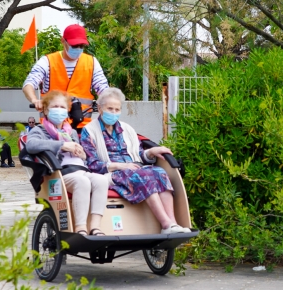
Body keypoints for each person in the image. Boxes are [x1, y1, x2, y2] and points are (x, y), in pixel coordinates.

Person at [80, 88, 190, 234]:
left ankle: (173, 224)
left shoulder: (127, 129)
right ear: (100, 108)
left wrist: (151, 152)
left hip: (134, 169)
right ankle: (165, 224)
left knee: (160, 172)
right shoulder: (89, 131)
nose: (113, 113)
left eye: (117, 109)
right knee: (143, 175)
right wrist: (121, 166)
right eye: (110, 108)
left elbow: (138, 154)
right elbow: (93, 164)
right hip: (112, 174)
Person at [26, 90, 108, 236]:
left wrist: (82, 154)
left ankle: (95, 227)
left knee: (101, 180)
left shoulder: (71, 132)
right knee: (82, 182)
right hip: (59, 173)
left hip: (79, 169)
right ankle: (80, 228)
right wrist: (61, 145)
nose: (59, 110)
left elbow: (82, 155)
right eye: (55, 106)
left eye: (63, 107)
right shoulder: (40, 130)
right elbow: (31, 145)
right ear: (45, 109)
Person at [22, 24, 109, 130]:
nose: (78, 49)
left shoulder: (92, 62)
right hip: (51, 127)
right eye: (74, 46)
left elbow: (103, 87)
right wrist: (35, 100)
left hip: (82, 127)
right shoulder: (47, 61)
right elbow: (29, 84)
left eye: (81, 46)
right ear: (63, 41)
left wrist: (107, 102)